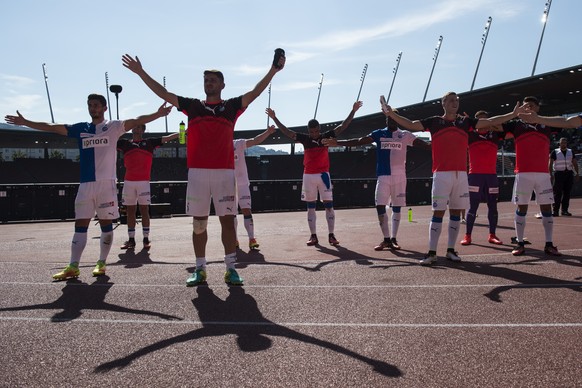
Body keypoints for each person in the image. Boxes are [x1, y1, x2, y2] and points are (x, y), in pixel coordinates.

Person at [122, 51, 285, 287]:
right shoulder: (193, 106)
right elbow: (164, 93)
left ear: (222, 84)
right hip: (197, 173)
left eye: (213, 80)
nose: (208, 83)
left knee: (227, 222)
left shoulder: (231, 107)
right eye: (206, 79)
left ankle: (231, 269)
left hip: (224, 173)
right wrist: (140, 72)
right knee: (199, 223)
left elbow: (255, 93)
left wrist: (273, 70)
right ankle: (200, 268)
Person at [5, 94, 171, 280]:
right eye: (90, 105)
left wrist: (157, 114)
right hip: (85, 185)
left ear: (104, 108)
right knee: (80, 225)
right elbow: (52, 127)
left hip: (106, 185)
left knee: (106, 225)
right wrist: (26, 121)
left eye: (96, 105)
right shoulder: (80, 128)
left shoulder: (114, 127)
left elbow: (137, 120)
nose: (93, 108)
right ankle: (73, 266)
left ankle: (101, 263)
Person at [382, 92, 523, 265]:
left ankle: (450, 250)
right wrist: (391, 113)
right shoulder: (434, 121)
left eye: (456, 100)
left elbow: (491, 121)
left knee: (456, 212)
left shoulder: (466, 122)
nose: (454, 103)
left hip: (461, 176)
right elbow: (410, 124)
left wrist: (513, 114)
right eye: (450, 100)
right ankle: (431, 252)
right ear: (443, 103)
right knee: (438, 213)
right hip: (441, 174)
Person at [323, 99, 429, 251]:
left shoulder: (405, 135)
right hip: (383, 176)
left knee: (397, 207)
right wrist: (338, 143)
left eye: (393, 117)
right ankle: (386, 239)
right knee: (379, 205)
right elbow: (359, 141)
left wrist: (441, 146)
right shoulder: (379, 134)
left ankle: (393, 238)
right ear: (386, 119)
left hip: (399, 176)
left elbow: (424, 145)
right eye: (388, 118)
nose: (391, 120)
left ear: (397, 119)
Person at [266, 101, 363, 246]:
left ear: (319, 129)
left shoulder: (326, 137)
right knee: (310, 207)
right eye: (311, 132)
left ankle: (331, 235)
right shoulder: (305, 139)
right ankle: (313, 236)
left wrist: (353, 110)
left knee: (329, 205)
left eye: (316, 131)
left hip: (324, 175)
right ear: (308, 131)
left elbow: (343, 126)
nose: (314, 134)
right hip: (308, 176)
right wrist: (274, 118)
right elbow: (287, 132)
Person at [502, 96, 562, 256]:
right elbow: (494, 127)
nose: (528, 107)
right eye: (525, 105)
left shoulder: (546, 124)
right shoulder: (516, 125)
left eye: (531, 105)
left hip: (543, 175)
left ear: (537, 108)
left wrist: (541, 119)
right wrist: (513, 114)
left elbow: (564, 122)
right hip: (523, 173)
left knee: (547, 208)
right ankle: (520, 243)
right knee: (521, 207)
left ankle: (549, 244)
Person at [117, 124, 179, 250]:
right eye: (135, 127)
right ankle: (131, 239)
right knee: (130, 211)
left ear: (143, 130)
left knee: (144, 210)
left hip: (143, 182)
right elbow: (108, 140)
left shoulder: (149, 143)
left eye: (139, 127)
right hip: (129, 182)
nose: (136, 129)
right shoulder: (124, 143)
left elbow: (167, 138)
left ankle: (146, 239)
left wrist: (180, 133)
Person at [460, 110, 505, 246]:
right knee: (472, 207)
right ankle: (468, 236)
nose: (483, 124)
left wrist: (494, 125)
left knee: (493, 206)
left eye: (486, 120)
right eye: (480, 121)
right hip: (475, 177)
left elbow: (506, 127)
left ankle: (492, 235)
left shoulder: (495, 135)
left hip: (491, 177)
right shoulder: (470, 135)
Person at [233, 125, 276, 250]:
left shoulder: (238, 143)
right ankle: (234, 239)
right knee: (231, 214)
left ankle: (251, 238)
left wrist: (267, 132)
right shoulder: (218, 145)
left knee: (247, 210)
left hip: (242, 183)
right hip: (227, 184)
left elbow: (255, 140)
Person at [549, 137, 579, 216]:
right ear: (559, 143)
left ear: (567, 143)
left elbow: (575, 163)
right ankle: (555, 210)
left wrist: (577, 173)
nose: (563, 144)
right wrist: (550, 174)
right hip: (558, 174)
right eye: (562, 142)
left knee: (567, 193)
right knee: (557, 193)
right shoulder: (555, 152)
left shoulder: (570, 151)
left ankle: (564, 210)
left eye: (565, 142)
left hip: (569, 174)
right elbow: (550, 163)